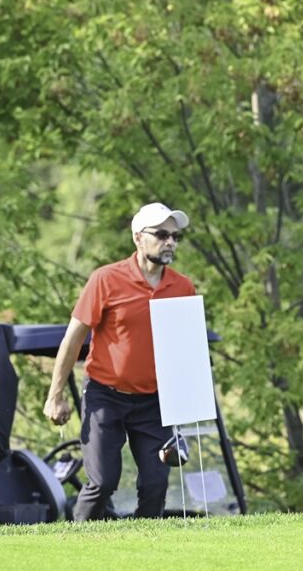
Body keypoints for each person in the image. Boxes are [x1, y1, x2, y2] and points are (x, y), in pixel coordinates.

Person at [42, 202, 196, 520]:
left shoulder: (183, 287)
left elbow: (186, 349)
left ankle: (147, 544)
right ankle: (75, 541)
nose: (170, 242)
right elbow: (72, 339)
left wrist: (189, 403)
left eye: (175, 236)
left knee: (155, 484)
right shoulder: (105, 279)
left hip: (155, 402)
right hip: (105, 397)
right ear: (138, 238)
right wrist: (55, 396)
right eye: (162, 235)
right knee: (103, 482)